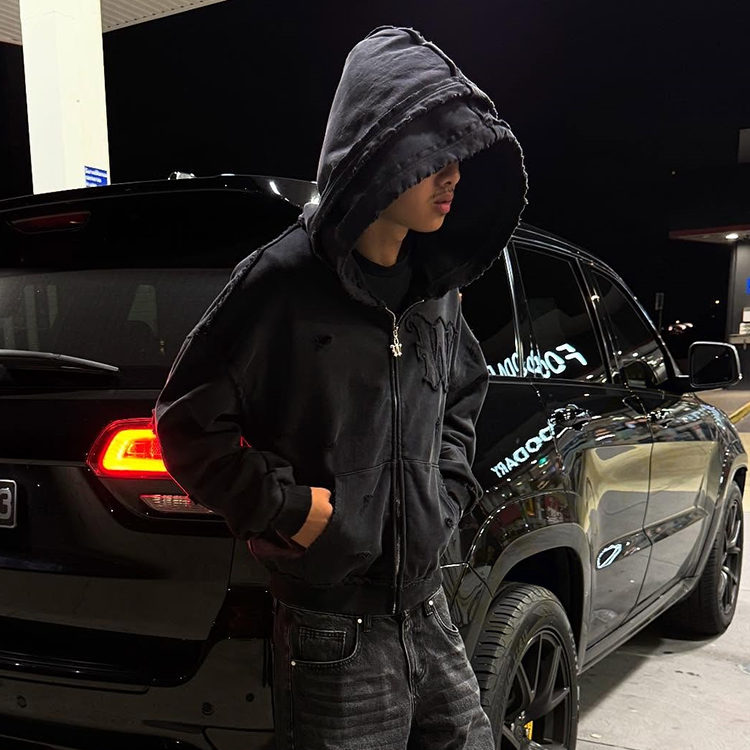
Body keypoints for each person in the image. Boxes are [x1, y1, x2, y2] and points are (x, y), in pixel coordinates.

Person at [155, 24, 527, 750]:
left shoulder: (436, 286)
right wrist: (283, 507)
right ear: (379, 157)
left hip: (429, 608)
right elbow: (185, 426)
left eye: (459, 154)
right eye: (433, 155)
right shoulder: (280, 282)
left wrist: (445, 490)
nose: (453, 175)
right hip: (332, 628)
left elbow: (463, 393)